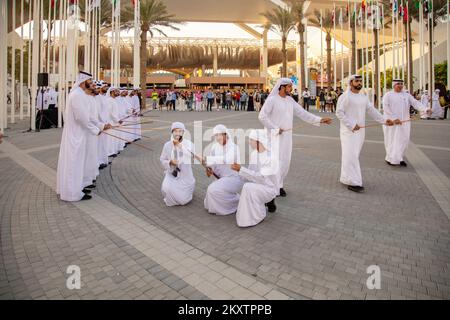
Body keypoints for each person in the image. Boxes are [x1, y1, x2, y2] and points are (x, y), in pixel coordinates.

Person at [258, 78, 332, 198]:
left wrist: (320, 120)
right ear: (282, 87)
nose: (290, 89)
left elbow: (302, 113)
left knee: (285, 161)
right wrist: (275, 128)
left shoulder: (290, 100)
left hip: (287, 137)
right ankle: (272, 187)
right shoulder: (272, 100)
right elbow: (262, 116)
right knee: (275, 161)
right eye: (288, 87)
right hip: (274, 137)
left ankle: (280, 185)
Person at [56, 71, 112, 202]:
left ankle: (79, 187)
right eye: (90, 82)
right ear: (83, 82)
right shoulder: (76, 95)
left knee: (80, 163)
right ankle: (72, 193)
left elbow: (90, 116)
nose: (92, 84)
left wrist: (101, 126)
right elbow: (82, 118)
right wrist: (95, 130)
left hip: (81, 134)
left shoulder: (81, 95)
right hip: (76, 135)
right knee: (74, 163)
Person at [336, 75, 394, 193]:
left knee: (353, 155)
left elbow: (371, 110)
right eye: (357, 81)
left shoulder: (363, 97)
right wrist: (351, 124)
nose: (359, 83)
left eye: (360, 81)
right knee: (351, 155)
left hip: (360, 131)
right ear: (351, 83)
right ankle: (354, 182)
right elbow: (339, 113)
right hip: (348, 131)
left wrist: (384, 120)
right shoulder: (345, 96)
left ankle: (346, 177)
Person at [232, 129, 279, 227]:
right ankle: (247, 217)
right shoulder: (254, 154)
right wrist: (238, 172)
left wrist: (241, 169)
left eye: (251, 140)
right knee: (246, 186)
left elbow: (261, 177)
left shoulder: (271, 157)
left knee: (248, 187)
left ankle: (258, 215)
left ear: (259, 141)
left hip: (269, 188)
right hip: (259, 185)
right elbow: (250, 173)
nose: (249, 142)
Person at [383, 79, 431, 167]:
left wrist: (425, 109)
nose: (400, 86)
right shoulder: (388, 95)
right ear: (394, 85)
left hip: (404, 122)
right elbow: (386, 108)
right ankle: (390, 158)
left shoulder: (406, 95)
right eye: (398, 84)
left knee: (404, 140)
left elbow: (415, 103)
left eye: (401, 84)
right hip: (392, 123)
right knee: (392, 140)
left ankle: (399, 158)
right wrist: (394, 118)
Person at [204, 124, 243, 215]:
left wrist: (208, 159)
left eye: (219, 135)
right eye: (216, 135)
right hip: (221, 178)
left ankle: (237, 202)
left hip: (233, 178)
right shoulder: (214, 147)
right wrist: (209, 169)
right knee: (211, 192)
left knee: (212, 190)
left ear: (225, 134)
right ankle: (234, 199)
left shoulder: (234, 147)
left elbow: (226, 159)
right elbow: (212, 167)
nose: (218, 138)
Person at [160, 122, 196, 206]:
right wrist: (169, 162)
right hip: (172, 173)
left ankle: (188, 191)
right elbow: (162, 159)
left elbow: (192, 155)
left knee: (183, 200)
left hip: (185, 175)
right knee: (166, 189)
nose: (178, 133)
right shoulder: (167, 145)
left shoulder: (189, 144)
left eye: (180, 131)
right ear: (172, 132)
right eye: (175, 131)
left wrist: (180, 146)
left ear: (183, 133)